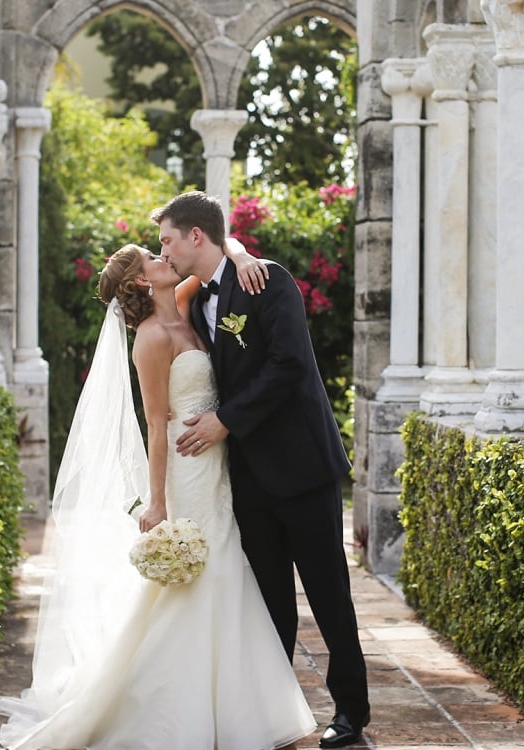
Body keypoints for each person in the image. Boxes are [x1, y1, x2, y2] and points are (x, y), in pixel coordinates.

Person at [0, 242, 315, 750]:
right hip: (187, 472)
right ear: (143, 282)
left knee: (227, 573)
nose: (166, 260)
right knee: (203, 576)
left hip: (219, 465)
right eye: (154, 259)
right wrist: (157, 501)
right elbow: (157, 425)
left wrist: (244, 255)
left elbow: (215, 254)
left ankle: (230, 707)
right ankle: (170, 711)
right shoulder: (149, 337)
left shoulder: (183, 302)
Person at [152, 191, 371, 749]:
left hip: (301, 465)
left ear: (195, 236)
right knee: (269, 604)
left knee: (328, 594)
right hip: (246, 478)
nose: (165, 251)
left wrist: (224, 419)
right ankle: (275, 714)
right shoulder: (195, 298)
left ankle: (351, 713)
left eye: (168, 240)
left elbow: (289, 364)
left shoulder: (268, 281)